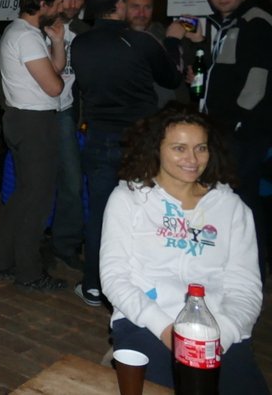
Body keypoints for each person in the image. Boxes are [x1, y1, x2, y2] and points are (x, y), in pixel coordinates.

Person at [100, 104, 268, 393]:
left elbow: (246, 287)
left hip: (217, 329)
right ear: (156, 149)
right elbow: (115, 278)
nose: (192, 159)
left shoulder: (231, 207)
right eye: (179, 148)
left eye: (201, 148)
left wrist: (220, 337)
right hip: (147, 321)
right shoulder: (129, 199)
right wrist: (168, 331)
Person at [70, 0, 183, 308]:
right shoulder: (141, 41)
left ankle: (94, 285)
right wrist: (172, 41)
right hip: (140, 140)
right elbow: (172, 78)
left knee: (102, 214)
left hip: (99, 138)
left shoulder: (80, 44)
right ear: (120, 5)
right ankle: (141, 283)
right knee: (145, 211)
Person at [0, 0, 69, 292]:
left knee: (23, 198)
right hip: (34, 123)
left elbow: (53, 70)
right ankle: (29, 272)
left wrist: (58, 42)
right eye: (57, 5)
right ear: (43, 4)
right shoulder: (27, 37)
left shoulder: (24, 33)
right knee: (37, 202)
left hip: (24, 120)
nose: (60, 11)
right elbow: (54, 86)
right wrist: (57, 82)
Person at [201, 0, 272, 279]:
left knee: (242, 200)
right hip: (225, 128)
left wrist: (236, 124)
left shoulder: (256, 23)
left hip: (243, 132)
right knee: (234, 198)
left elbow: (257, 82)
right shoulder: (225, 24)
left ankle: (251, 272)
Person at [50, 0, 89, 273]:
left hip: (67, 113)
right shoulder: (36, 25)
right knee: (38, 184)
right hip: (36, 112)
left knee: (72, 184)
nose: (73, 4)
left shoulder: (86, 32)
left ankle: (64, 245)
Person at [125, 0, 190, 108]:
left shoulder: (163, 32)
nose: (142, 13)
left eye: (147, 7)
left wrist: (198, 40)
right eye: (135, 7)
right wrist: (172, 41)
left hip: (175, 111)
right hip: (142, 114)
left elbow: (186, 69)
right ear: (122, 6)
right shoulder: (116, 38)